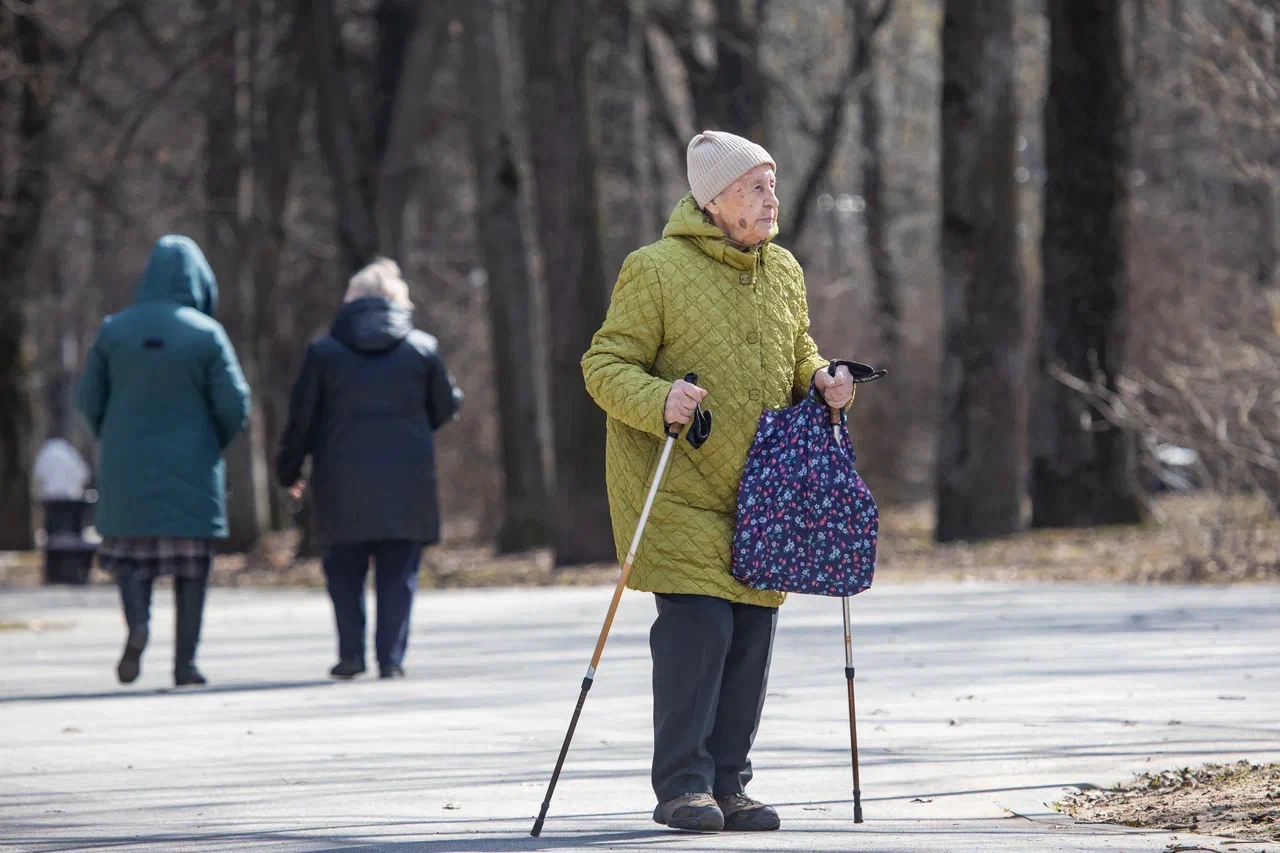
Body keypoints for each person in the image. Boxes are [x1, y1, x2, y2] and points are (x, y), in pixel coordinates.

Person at [581, 131, 857, 833]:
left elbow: (799, 352)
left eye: (772, 185)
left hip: (762, 488)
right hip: (676, 483)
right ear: (714, 199)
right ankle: (682, 785)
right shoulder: (655, 269)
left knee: (752, 631)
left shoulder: (785, 269)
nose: (772, 200)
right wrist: (659, 399)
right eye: (756, 187)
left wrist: (822, 380)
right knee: (698, 625)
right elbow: (604, 364)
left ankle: (730, 783)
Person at [76, 235, 251, 687]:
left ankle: (138, 625)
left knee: (131, 561)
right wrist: (214, 439)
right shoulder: (206, 334)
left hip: (125, 466)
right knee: (192, 569)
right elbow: (235, 403)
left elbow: (86, 398)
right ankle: (185, 663)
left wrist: (111, 437)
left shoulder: (115, 330)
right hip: (192, 467)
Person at [277, 258, 462, 681]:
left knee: (344, 571)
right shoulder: (422, 348)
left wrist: (288, 471)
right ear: (398, 300)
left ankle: (350, 655)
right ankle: (391, 659)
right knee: (399, 574)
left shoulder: (323, 351)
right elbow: (444, 407)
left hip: (340, 482)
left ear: (351, 301)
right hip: (407, 480)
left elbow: (300, 420)